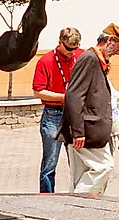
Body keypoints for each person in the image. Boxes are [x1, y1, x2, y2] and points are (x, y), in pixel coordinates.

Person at [60, 24, 119, 196]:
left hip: (88, 130)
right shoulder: (90, 59)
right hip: (87, 131)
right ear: (110, 40)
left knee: (81, 175)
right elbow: (74, 95)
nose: (118, 52)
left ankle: (78, 203)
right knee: (104, 167)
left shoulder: (96, 60)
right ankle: (79, 200)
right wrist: (78, 132)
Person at [32, 27, 83, 194]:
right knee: (50, 162)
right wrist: (63, 97)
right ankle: (47, 196)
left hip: (74, 113)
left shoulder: (80, 55)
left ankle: (79, 195)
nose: (72, 52)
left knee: (78, 161)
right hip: (53, 114)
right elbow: (38, 91)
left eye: (75, 48)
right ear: (60, 43)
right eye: (68, 48)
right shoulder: (46, 61)